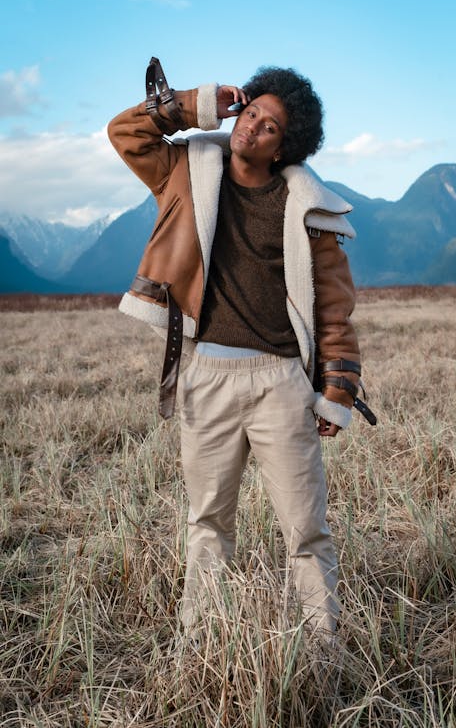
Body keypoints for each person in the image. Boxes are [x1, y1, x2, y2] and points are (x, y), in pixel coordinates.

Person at [108, 59, 368, 639]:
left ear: (284, 148)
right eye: (251, 112)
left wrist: (335, 390)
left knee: (306, 530)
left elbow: (334, 307)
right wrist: (196, 105)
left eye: (268, 126)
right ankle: (202, 646)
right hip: (207, 376)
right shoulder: (185, 170)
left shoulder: (307, 206)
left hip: (280, 383)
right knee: (207, 525)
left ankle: (323, 652)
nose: (251, 127)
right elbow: (126, 132)